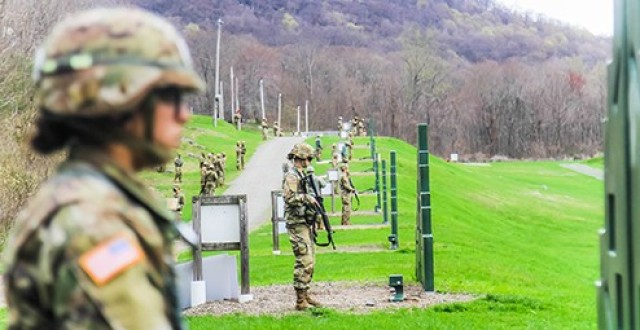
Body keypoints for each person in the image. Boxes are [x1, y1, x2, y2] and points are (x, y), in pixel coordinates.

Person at [3, 7, 204, 329]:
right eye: (171, 95)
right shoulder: (96, 226)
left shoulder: (80, 200)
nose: (184, 115)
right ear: (120, 97)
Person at [282, 143, 323, 310]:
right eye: (308, 158)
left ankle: (305, 294)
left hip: (304, 222)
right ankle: (300, 300)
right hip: (296, 223)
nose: (310, 161)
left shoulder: (300, 175)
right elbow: (289, 198)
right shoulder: (292, 176)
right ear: (301, 157)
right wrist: (306, 198)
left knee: (310, 259)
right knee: (304, 259)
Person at [306, 166, 326, 230]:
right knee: (319, 211)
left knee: (311, 211)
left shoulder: (305, 179)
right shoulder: (317, 178)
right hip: (317, 197)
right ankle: (320, 225)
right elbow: (324, 185)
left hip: (309, 197)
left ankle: (313, 226)